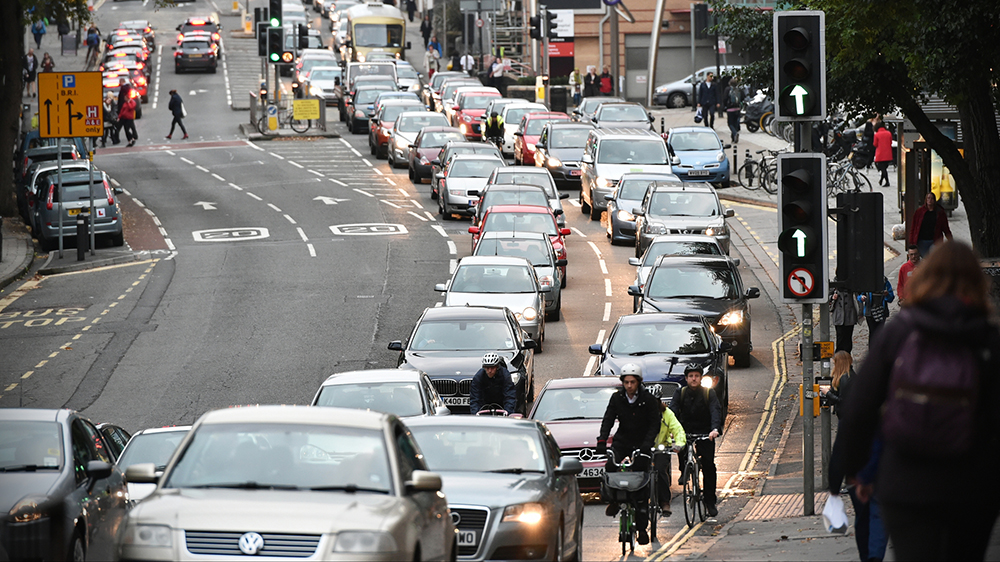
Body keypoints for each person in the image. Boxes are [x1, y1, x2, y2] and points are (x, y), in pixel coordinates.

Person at [840, 241, 1000, 561]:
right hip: (973, 486)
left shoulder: (900, 332)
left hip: (905, 482)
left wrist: (859, 472)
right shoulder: (990, 339)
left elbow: (859, 408)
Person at [597, 363, 661, 545]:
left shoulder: (648, 400)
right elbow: (608, 419)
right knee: (610, 466)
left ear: (638, 382)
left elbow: (654, 424)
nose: (629, 386)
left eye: (632, 382)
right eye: (626, 382)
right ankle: (615, 500)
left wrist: (646, 446)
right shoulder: (617, 398)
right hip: (623, 441)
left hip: (642, 443)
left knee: (641, 481)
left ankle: (641, 529)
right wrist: (602, 441)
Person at [669, 365, 722, 518]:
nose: (694, 378)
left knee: (709, 467)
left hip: (705, 433)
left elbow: (715, 411)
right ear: (686, 378)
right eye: (691, 376)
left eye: (697, 376)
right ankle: (683, 469)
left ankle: (710, 501)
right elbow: (672, 412)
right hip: (685, 431)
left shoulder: (708, 393)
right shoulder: (680, 392)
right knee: (682, 448)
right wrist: (672, 431)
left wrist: (714, 429)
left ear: (700, 378)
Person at [653, 386, 686, 516]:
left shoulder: (667, 413)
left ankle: (665, 502)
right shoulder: (641, 411)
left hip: (661, 447)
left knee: (661, 471)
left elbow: (677, 429)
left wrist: (679, 444)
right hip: (644, 448)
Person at [907, 191, 953, 257]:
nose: (930, 200)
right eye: (928, 198)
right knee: (925, 259)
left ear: (934, 200)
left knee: (934, 258)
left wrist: (950, 240)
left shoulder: (940, 213)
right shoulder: (919, 212)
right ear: (925, 200)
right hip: (922, 241)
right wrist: (911, 241)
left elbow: (945, 228)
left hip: (934, 241)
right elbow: (914, 227)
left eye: (931, 198)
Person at [857, 276, 894, 344]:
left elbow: (891, 298)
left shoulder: (885, 281)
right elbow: (859, 296)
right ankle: (872, 350)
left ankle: (878, 350)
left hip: (881, 311)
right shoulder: (866, 282)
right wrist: (861, 297)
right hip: (869, 311)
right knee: (873, 332)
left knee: (879, 332)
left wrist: (887, 295)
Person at [830, 278, 858, 353]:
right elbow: (827, 295)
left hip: (849, 314)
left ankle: (847, 360)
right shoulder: (835, 282)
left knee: (848, 339)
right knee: (840, 338)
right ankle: (839, 360)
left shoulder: (852, 282)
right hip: (839, 315)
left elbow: (858, 294)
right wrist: (832, 297)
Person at [721, 76, 744, 143]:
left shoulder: (727, 89)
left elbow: (724, 98)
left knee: (730, 123)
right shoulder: (739, 89)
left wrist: (725, 105)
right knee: (735, 123)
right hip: (737, 108)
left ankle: (735, 133)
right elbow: (742, 97)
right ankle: (733, 138)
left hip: (730, 109)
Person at [873, 122, 893, 186]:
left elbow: (875, 144)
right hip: (888, 153)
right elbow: (890, 142)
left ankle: (887, 182)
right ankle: (881, 180)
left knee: (882, 168)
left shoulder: (877, 135)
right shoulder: (888, 133)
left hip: (880, 154)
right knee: (884, 168)